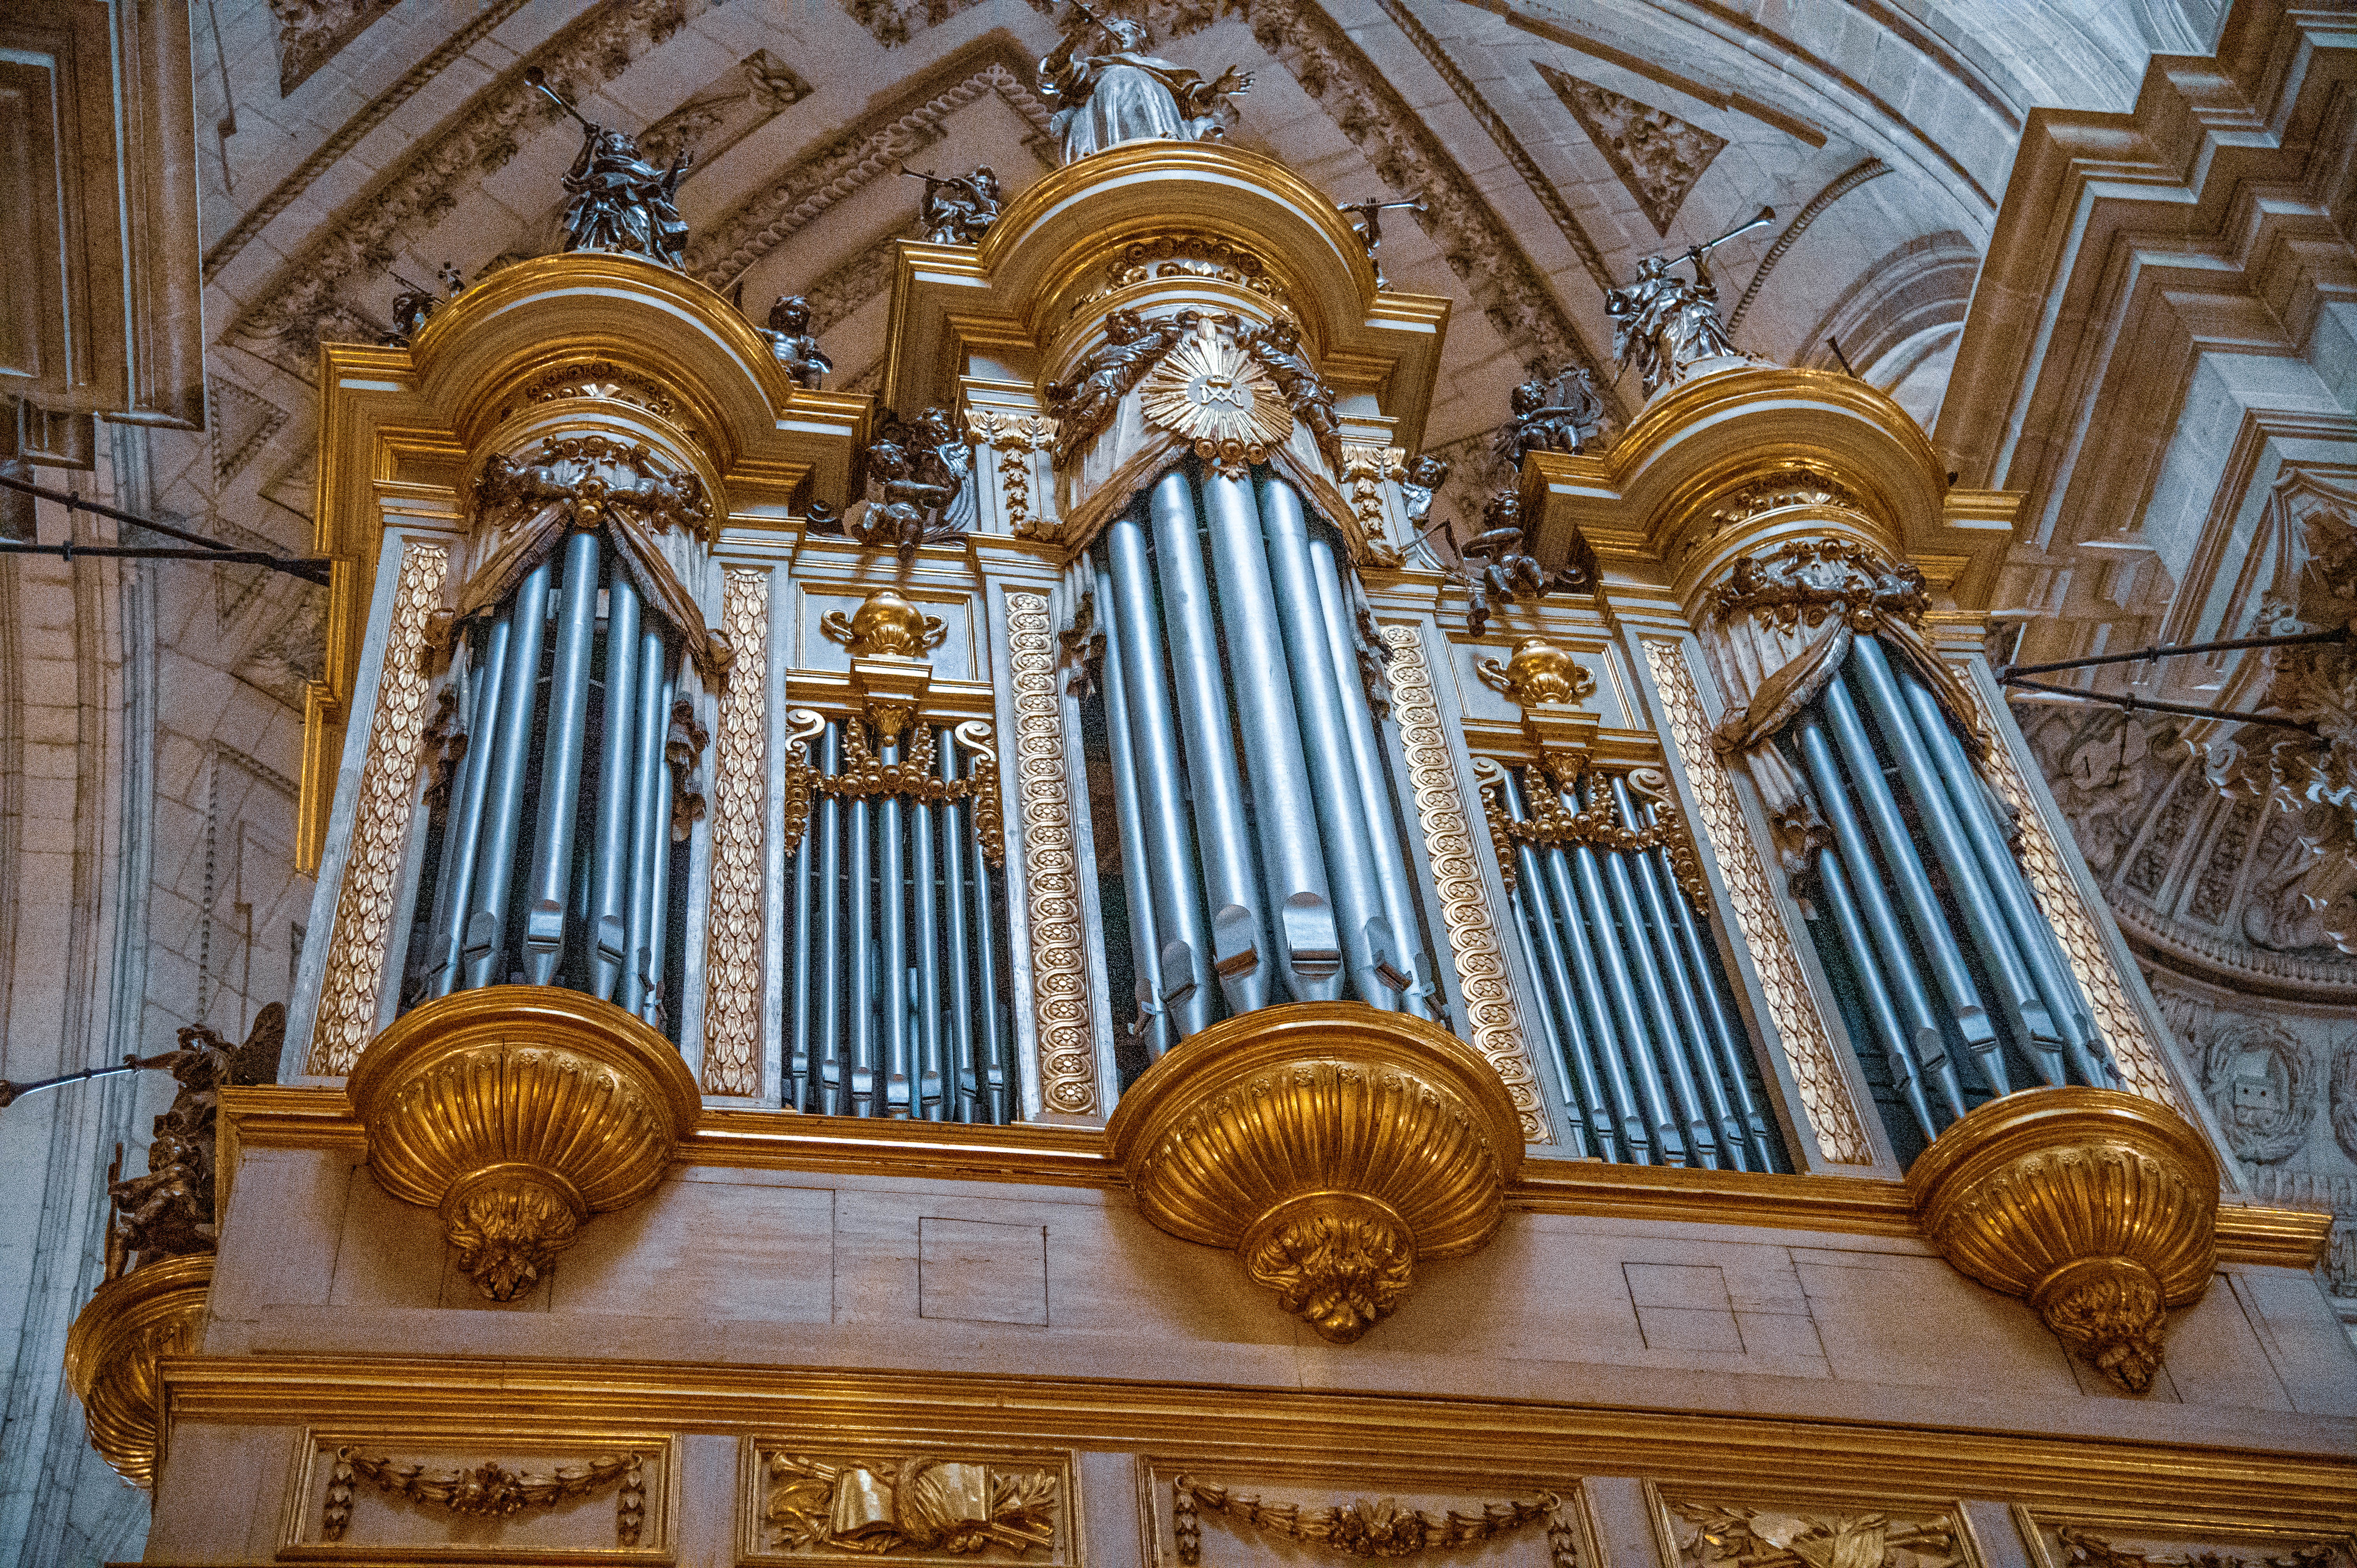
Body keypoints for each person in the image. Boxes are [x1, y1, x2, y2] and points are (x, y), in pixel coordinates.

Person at [1037, 7, 1253, 164]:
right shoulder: (1096, 69)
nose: (1120, 34)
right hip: (1106, 127)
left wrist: (1217, 87)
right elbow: (1053, 70)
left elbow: (1193, 98)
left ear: (1140, 40)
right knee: (1124, 77)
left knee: (1138, 79)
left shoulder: (1161, 68)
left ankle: (1162, 149)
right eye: (1114, 32)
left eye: (1127, 31)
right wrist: (1078, 33)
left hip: (1164, 123)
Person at [1606, 251, 1739, 398]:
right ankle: (1684, 367)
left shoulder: (1674, 289)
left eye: (1660, 265)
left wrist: (1698, 263)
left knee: (1700, 312)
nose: (1660, 267)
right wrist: (1617, 298)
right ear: (1645, 272)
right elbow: (1620, 306)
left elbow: (1707, 295)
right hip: (1667, 329)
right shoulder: (1643, 290)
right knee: (1691, 316)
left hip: (1686, 319)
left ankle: (1720, 357)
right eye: (1655, 265)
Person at [561, 123, 691, 267]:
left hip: (638, 211)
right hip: (604, 207)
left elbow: (664, 196)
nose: (610, 144)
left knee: (641, 249)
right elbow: (575, 177)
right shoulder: (600, 167)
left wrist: (675, 170)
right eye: (607, 143)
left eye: (617, 140)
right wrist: (590, 141)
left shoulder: (644, 169)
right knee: (602, 248)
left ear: (629, 147)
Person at [761, 295, 832, 390]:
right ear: (782, 312)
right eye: (793, 310)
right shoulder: (772, 334)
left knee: (813, 367)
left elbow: (828, 367)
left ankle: (811, 398)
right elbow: (750, 330)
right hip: (772, 362)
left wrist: (818, 357)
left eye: (802, 314)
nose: (798, 314)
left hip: (794, 366)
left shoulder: (805, 341)